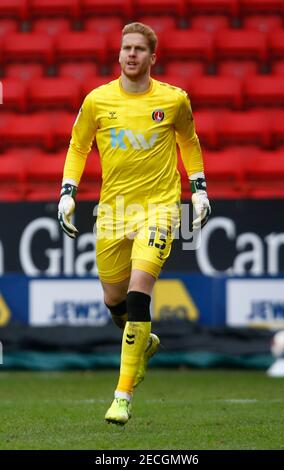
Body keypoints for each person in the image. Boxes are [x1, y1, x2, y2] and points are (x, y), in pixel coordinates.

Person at [58, 22, 211, 426]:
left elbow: (189, 141)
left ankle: (122, 395)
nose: (131, 55)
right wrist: (68, 191)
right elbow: (78, 145)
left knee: (139, 291)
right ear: (119, 53)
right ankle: (146, 340)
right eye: (126, 48)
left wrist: (198, 188)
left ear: (152, 57)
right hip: (112, 212)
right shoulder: (97, 100)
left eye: (139, 49)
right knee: (115, 302)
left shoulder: (174, 100)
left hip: (160, 209)